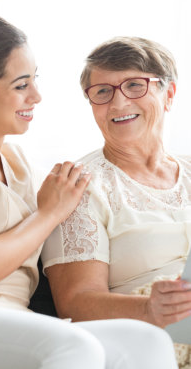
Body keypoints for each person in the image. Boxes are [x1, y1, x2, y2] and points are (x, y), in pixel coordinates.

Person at [0, 14, 178, 369]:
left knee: (146, 341)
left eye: (35, 80)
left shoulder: (18, 166)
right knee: (74, 347)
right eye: (20, 85)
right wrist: (49, 214)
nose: (37, 96)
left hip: (12, 318)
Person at [42, 37, 191, 333]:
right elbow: (75, 303)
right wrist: (149, 309)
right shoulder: (79, 186)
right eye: (103, 91)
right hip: (147, 337)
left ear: (169, 94)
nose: (119, 103)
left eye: (135, 85)